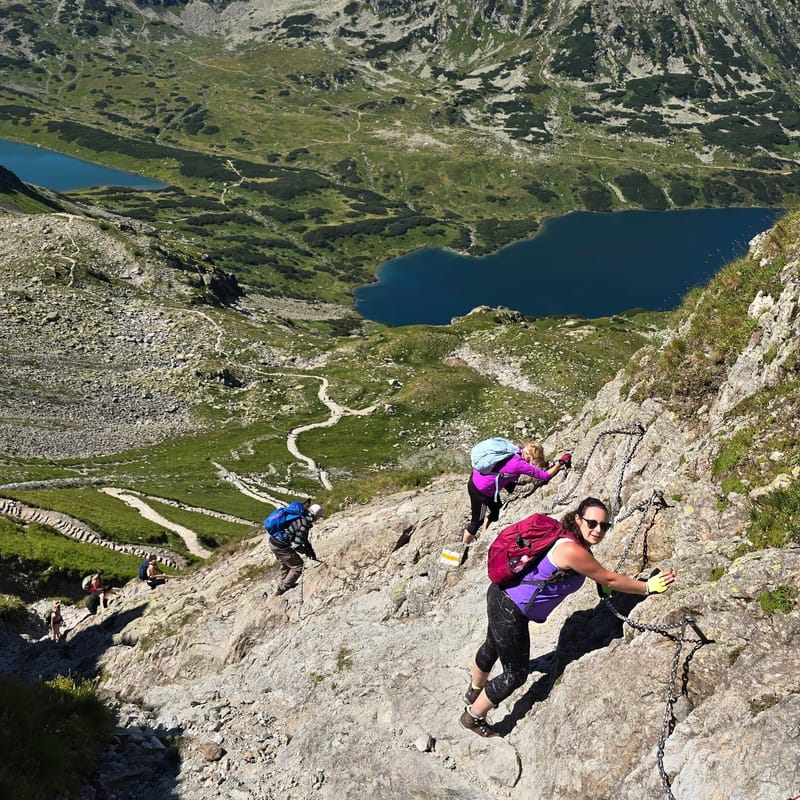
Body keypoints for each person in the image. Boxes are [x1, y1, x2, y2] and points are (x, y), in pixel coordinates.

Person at [460, 497, 676, 738]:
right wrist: (647, 587)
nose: (598, 530)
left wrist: (600, 581)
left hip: (501, 595)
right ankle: (473, 716)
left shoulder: (569, 539)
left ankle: (474, 691)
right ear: (578, 519)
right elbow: (610, 579)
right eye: (592, 523)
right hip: (511, 609)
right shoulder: (572, 549)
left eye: (604, 526)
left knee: (492, 646)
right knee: (515, 675)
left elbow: (590, 570)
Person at [463, 442, 571, 544]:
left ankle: (483, 538)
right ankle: (460, 549)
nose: (531, 465)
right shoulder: (519, 464)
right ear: (530, 458)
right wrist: (560, 463)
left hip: (478, 479)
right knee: (476, 523)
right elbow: (544, 476)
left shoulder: (515, 449)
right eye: (533, 463)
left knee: (495, 511)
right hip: (481, 492)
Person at [267, 502, 322, 596]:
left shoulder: (301, 515)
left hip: (274, 541)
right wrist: (306, 552)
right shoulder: (304, 524)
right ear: (316, 517)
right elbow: (296, 545)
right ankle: (282, 588)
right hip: (281, 545)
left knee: (286, 562)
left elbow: (303, 539)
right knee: (298, 566)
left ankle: (282, 583)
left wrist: (310, 550)